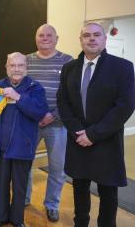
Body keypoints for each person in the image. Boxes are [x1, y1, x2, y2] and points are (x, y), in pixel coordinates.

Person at [57, 22, 135, 226]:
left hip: (106, 141)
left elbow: (124, 106)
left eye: (96, 35)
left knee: (108, 194)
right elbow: (62, 102)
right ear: (81, 40)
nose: (91, 38)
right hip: (78, 140)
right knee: (79, 190)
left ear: (104, 39)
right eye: (86, 35)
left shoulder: (122, 67)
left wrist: (93, 134)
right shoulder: (69, 68)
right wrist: (78, 132)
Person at [0, 52, 48, 227]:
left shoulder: (36, 87)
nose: (17, 69)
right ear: (6, 67)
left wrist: (18, 97)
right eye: (13, 65)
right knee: (1, 184)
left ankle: (17, 220)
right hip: (1, 147)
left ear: (26, 68)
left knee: (20, 187)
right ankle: (0, 217)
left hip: (23, 147)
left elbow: (39, 112)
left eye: (20, 65)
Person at [25, 24, 72, 222]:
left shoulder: (68, 61)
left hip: (58, 124)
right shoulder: (26, 60)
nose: (45, 38)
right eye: (41, 35)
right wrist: (36, 115)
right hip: (29, 123)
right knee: (24, 164)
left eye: (49, 35)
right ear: (36, 38)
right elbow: (21, 91)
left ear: (56, 38)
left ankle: (52, 204)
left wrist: (53, 115)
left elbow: (72, 95)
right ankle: (23, 199)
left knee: (57, 167)